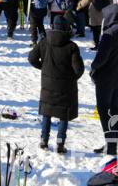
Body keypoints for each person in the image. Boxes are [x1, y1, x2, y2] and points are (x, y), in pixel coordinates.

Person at [28, 15, 84, 154]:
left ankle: (44, 140)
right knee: (63, 114)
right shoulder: (72, 46)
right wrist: (70, 78)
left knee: (47, 112)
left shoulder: (44, 42)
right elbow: (79, 69)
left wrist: (44, 68)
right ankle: (60, 143)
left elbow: (31, 58)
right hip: (65, 86)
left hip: (47, 84)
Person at [90, 4, 118, 156]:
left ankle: (110, 145)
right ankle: (117, 142)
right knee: (115, 108)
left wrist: (93, 68)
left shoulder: (110, 33)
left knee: (104, 110)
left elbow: (101, 58)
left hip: (106, 77)